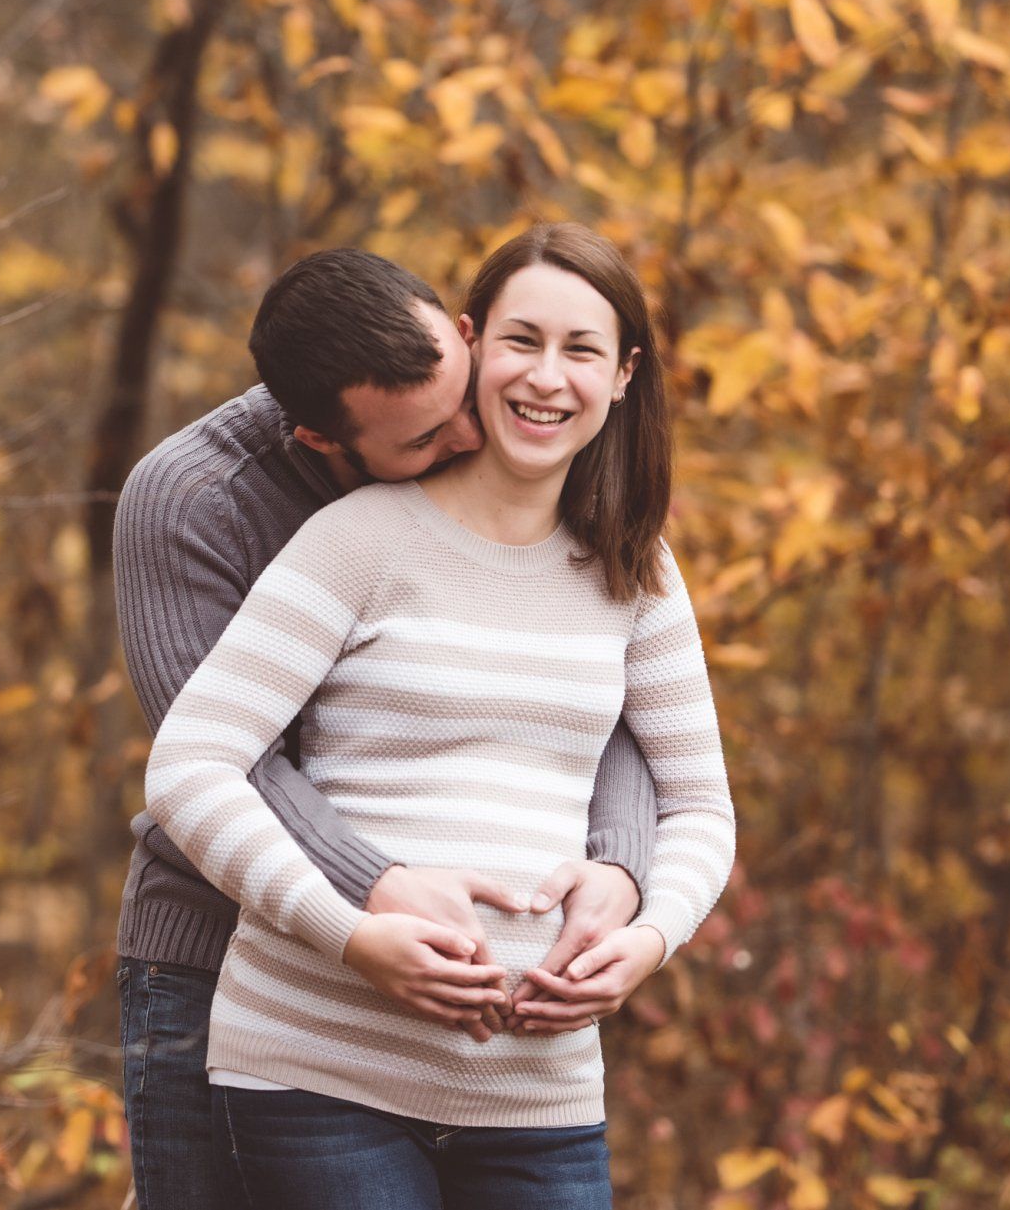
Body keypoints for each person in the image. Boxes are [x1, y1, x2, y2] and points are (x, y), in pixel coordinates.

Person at [143, 223, 736, 1207]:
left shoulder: (638, 570)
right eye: (522, 341)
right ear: (473, 344)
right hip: (317, 1078)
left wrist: (648, 937)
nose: (547, 378)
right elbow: (189, 765)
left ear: (624, 376)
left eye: (582, 350)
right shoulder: (357, 541)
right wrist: (349, 932)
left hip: (538, 1100)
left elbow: (701, 809)